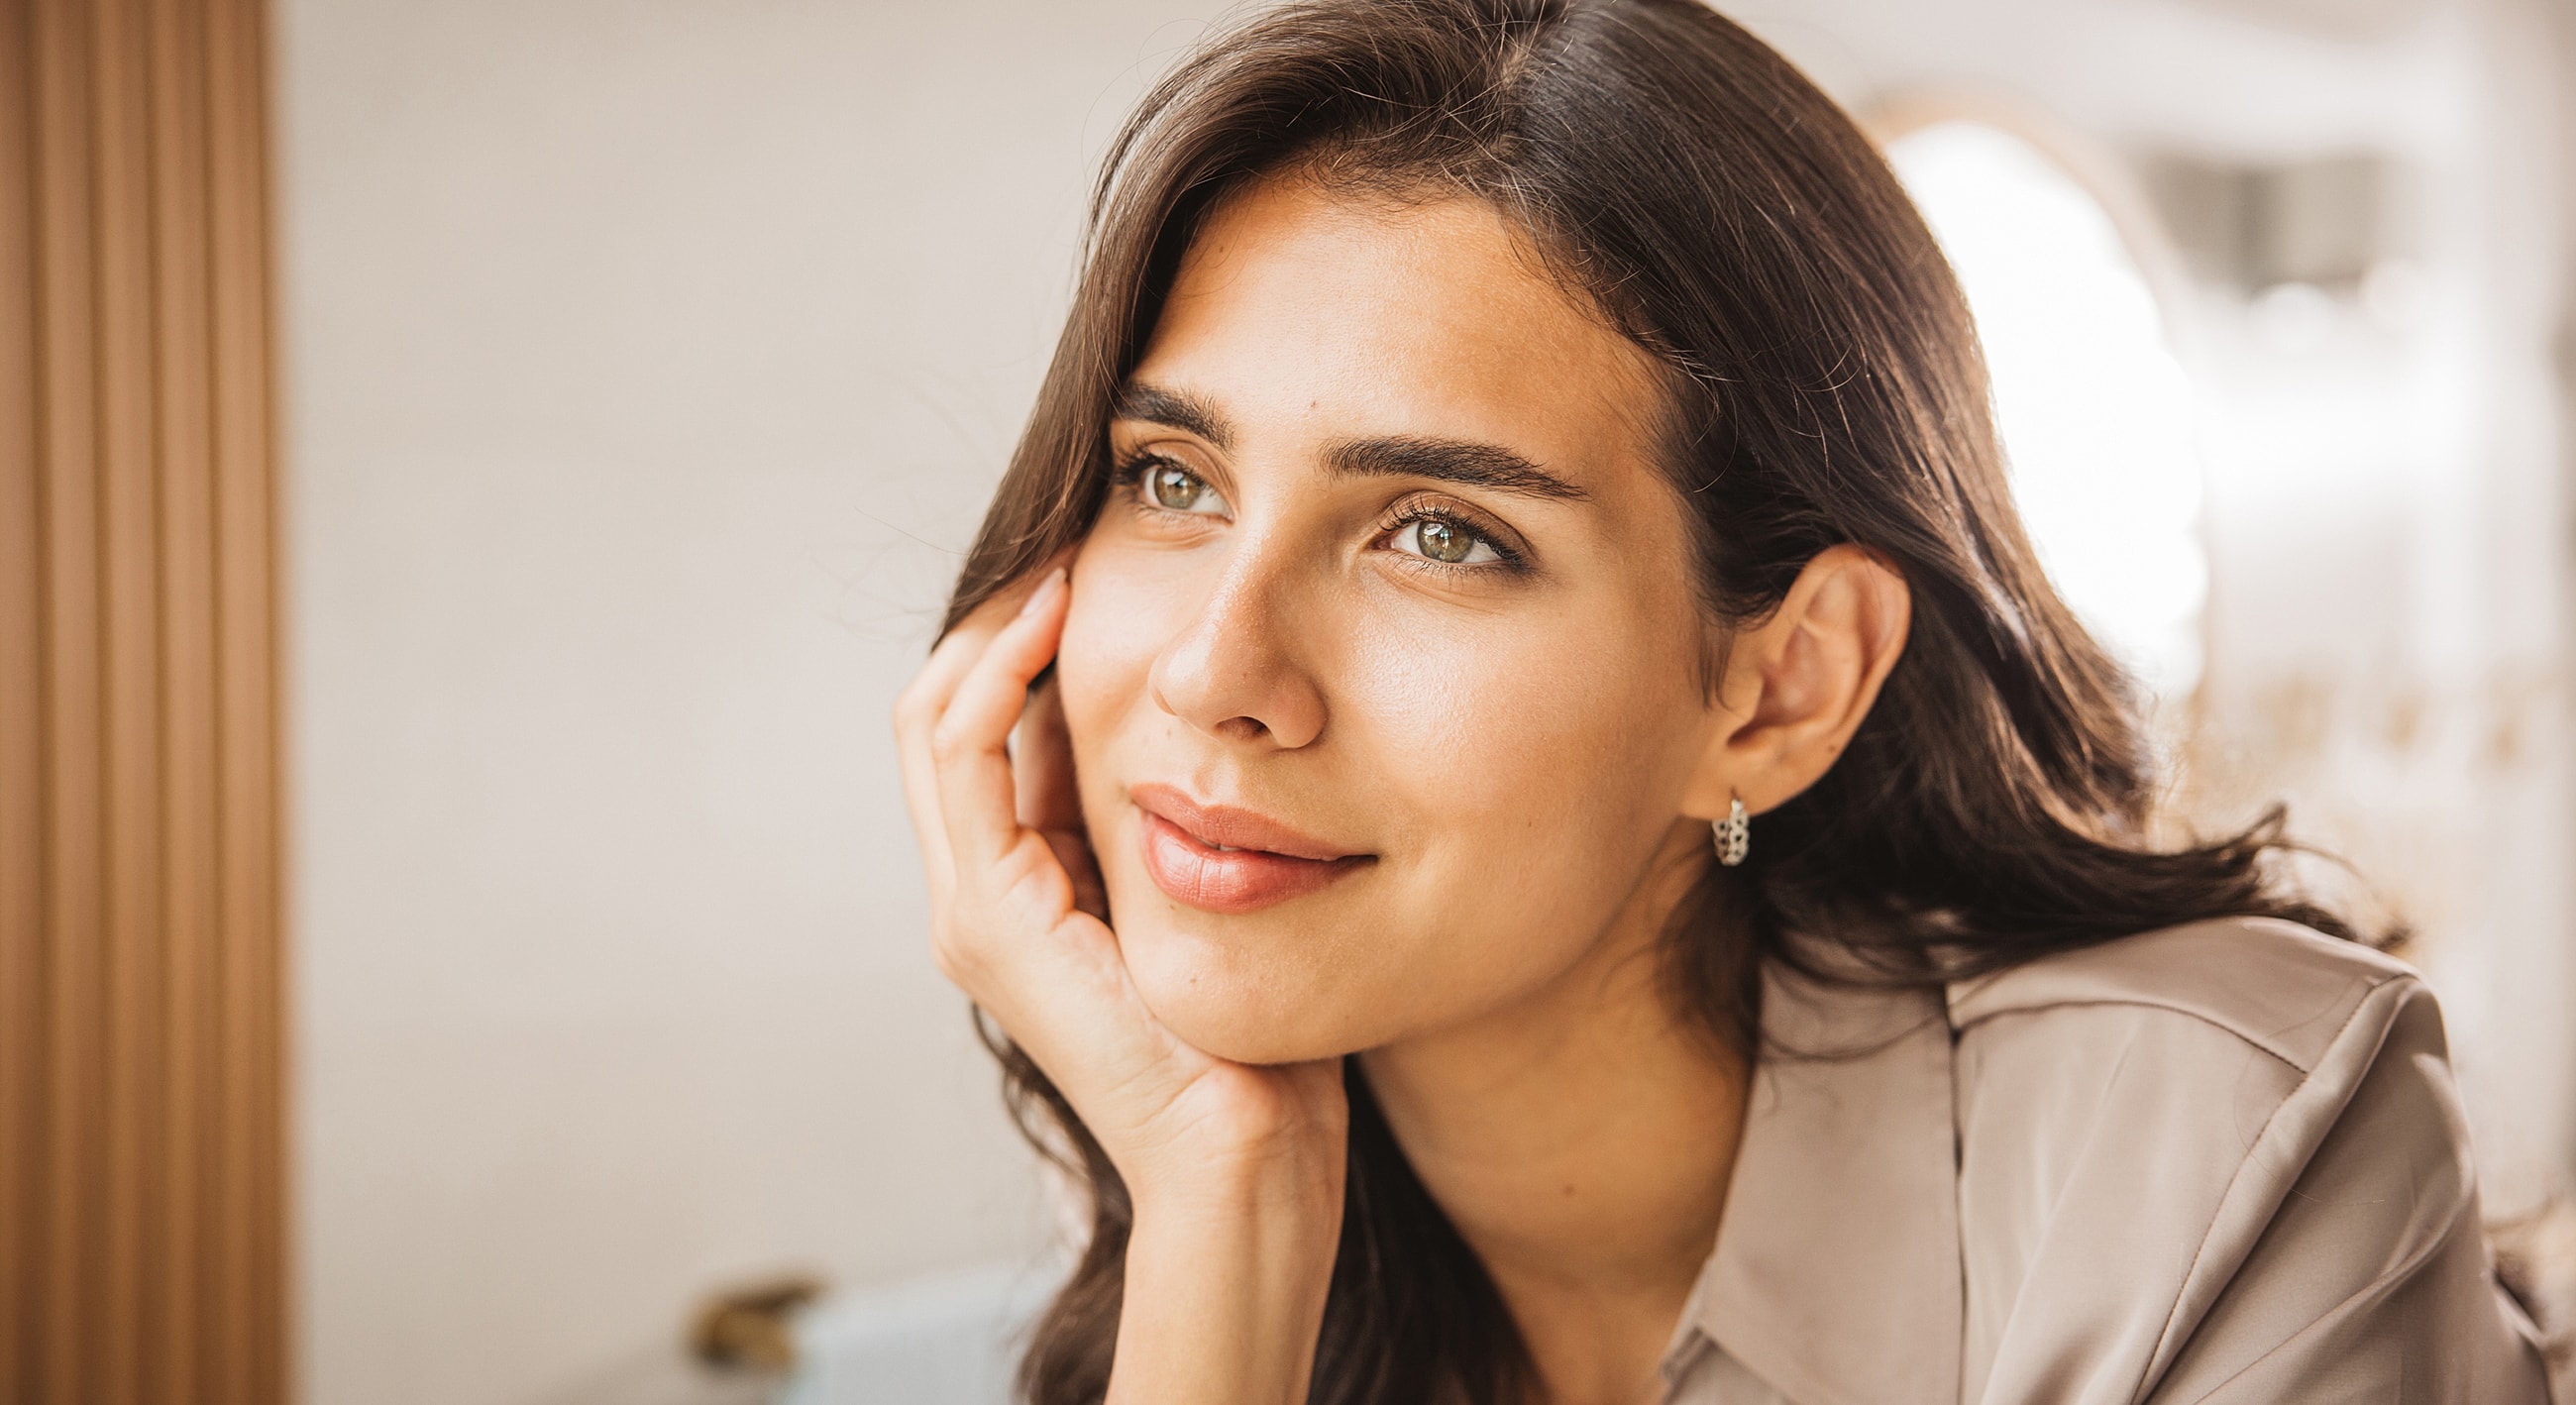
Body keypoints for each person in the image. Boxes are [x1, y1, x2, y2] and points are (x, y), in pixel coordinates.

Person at [891, 1, 2553, 1400]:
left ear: (1778, 688)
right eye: (1172, 479)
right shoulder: (1193, 1150)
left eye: (1440, 533)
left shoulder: (2221, 1145)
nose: (1210, 672)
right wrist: (1218, 1199)